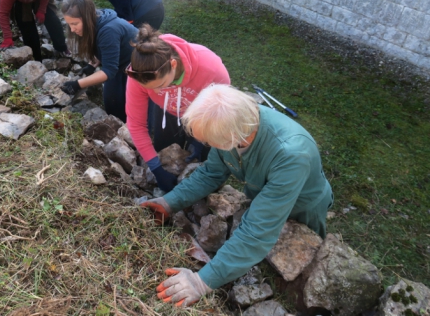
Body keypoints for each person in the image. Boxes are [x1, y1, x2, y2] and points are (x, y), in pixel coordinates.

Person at [141, 84, 334, 308]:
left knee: (305, 256)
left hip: (304, 206)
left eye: (208, 142)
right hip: (267, 192)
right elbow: (211, 172)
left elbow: (257, 232)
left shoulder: (291, 155)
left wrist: (202, 281)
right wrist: (169, 202)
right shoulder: (234, 124)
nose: (206, 145)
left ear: (232, 139)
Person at [125, 26, 230, 192]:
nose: (157, 92)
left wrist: (203, 139)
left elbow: (221, 114)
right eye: (151, 88)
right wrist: (156, 168)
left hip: (204, 115)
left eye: (160, 85)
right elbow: (136, 124)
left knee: (202, 160)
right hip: (168, 110)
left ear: (173, 65)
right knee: (165, 151)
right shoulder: (140, 74)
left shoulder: (211, 70)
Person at [59, 0, 137, 122]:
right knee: (111, 102)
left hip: (136, 65)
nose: (72, 30)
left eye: (75, 24)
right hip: (120, 62)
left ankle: (127, 130)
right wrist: (92, 64)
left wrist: (78, 84)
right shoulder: (95, 21)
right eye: (69, 25)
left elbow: (109, 70)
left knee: (119, 105)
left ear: (87, 17)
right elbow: (106, 50)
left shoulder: (108, 30)